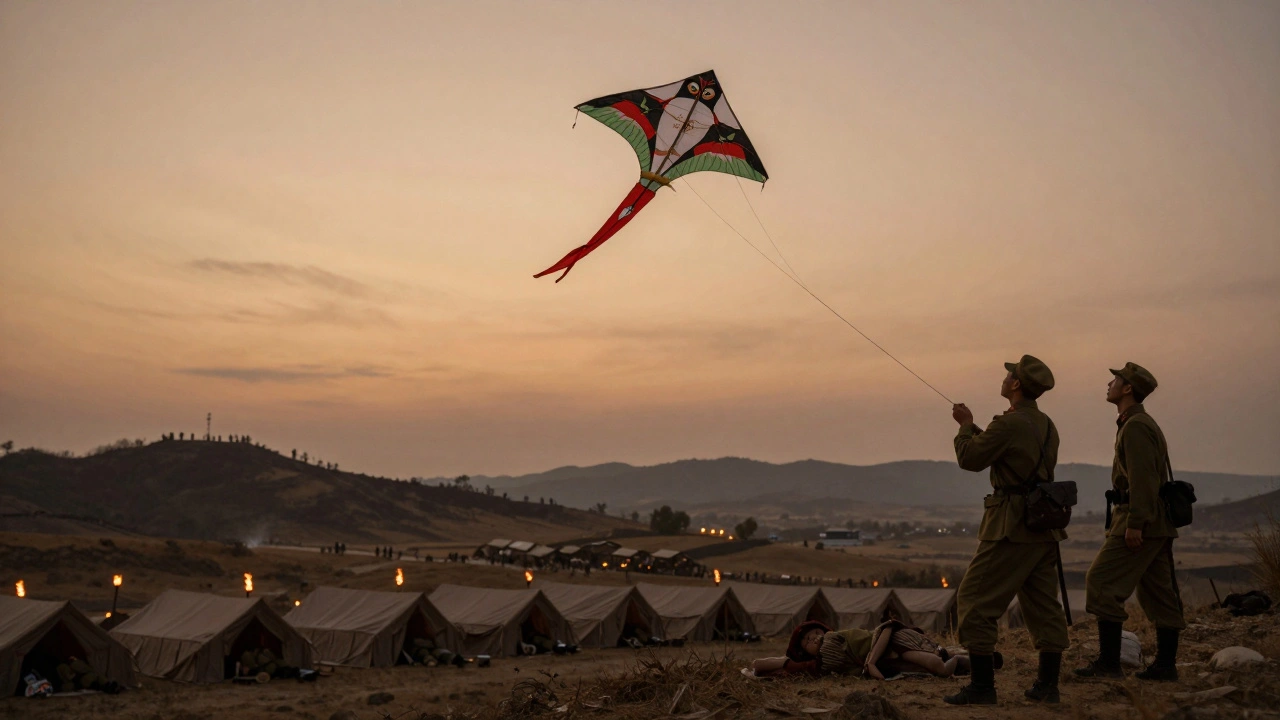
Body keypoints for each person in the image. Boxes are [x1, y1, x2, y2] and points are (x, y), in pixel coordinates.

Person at [948, 355, 1068, 705]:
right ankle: (1048, 686)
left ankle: (983, 687)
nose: (1004, 379)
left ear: (1016, 384)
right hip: (1042, 527)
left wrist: (965, 425)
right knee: (1044, 604)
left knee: (974, 599)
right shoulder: (1047, 424)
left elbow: (970, 458)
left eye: (1009, 376)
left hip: (1011, 526)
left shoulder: (1010, 423)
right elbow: (1016, 458)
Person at [1077, 363, 1185, 681]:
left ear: (1127, 389)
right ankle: (1166, 666)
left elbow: (1143, 480)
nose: (1109, 383)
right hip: (1155, 521)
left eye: (1116, 379)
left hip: (1141, 519)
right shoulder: (1137, 422)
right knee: (1158, 592)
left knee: (1100, 582)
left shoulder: (1136, 426)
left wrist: (1135, 523)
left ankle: (1110, 665)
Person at [751, 620, 965, 679]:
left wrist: (871, 660)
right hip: (890, 660)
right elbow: (792, 665)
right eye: (807, 641)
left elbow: (884, 630)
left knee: (931, 660)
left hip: (891, 642)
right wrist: (761, 665)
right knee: (927, 663)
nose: (814, 638)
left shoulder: (840, 638)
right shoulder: (825, 662)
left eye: (815, 633)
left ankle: (950, 665)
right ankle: (971, 661)